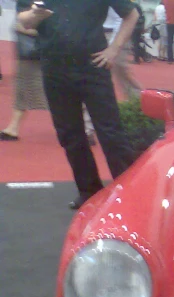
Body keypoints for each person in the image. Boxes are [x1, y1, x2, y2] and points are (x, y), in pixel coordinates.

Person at [18, 0, 139, 210]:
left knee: (110, 132)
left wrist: (114, 49)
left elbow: (132, 14)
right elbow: (24, 21)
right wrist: (36, 14)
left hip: (93, 65)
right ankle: (88, 190)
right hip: (54, 68)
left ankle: (128, 191)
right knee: (69, 134)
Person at [0, 6, 48, 142]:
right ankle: (13, 127)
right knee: (22, 86)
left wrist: (20, 27)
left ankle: (85, 127)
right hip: (30, 52)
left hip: (50, 48)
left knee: (68, 87)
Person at [104, 7, 143, 97]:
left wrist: (114, 44)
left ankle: (138, 99)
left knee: (121, 70)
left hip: (116, 34)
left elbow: (120, 18)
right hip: (99, 34)